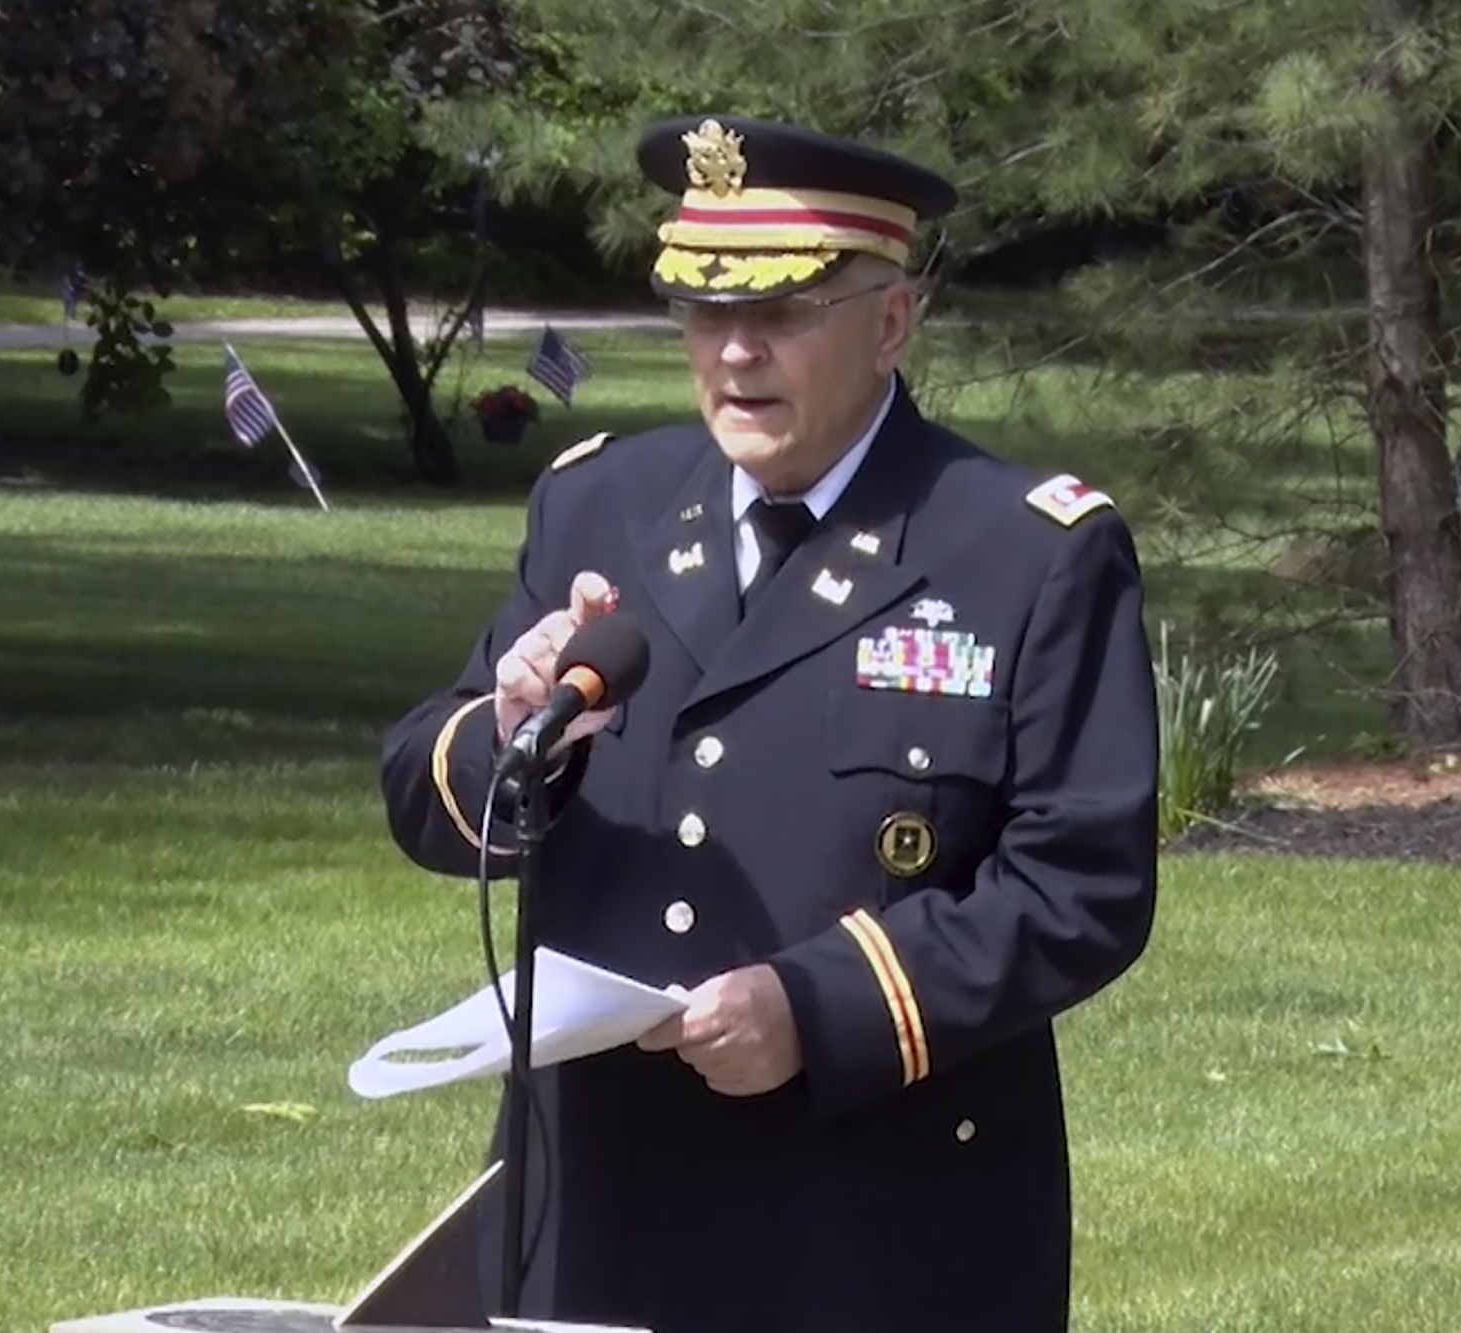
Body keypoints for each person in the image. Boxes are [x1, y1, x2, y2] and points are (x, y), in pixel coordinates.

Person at [378, 113, 1158, 1333]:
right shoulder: (599, 505)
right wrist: (507, 729)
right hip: (596, 1205)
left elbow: (1081, 885)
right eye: (703, 312)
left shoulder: (1019, 549)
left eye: (783, 313)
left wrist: (819, 1006)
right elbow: (425, 795)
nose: (734, 354)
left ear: (889, 321)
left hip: (874, 1219)